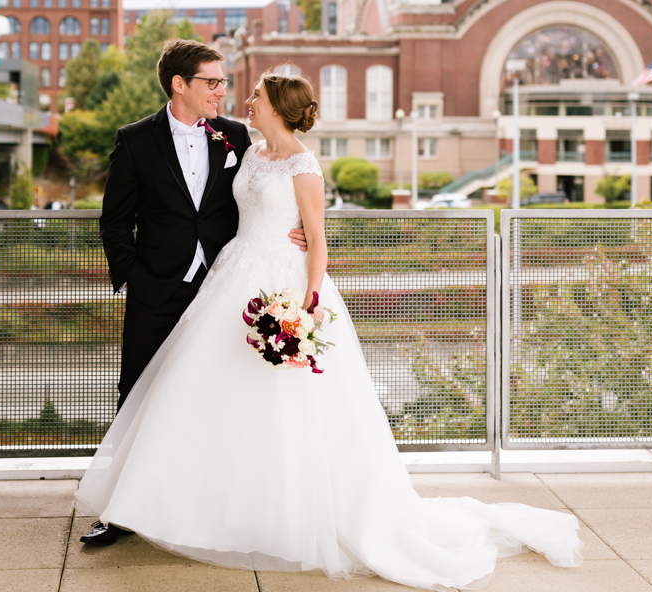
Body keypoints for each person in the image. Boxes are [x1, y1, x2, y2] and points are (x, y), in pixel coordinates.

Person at [76, 69, 583, 589]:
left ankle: (284, 515)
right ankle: (186, 503)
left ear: (276, 105)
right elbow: (222, 209)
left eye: (256, 94)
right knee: (210, 391)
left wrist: (309, 302)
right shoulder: (246, 150)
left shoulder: (304, 163)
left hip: (285, 282)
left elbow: (317, 238)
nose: (244, 99)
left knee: (288, 403)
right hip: (233, 275)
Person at [83, 40, 304, 546]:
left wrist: (306, 231)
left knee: (219, 396)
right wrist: (136, 280)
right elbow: (114, 222)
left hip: (227, 291)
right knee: (138, 394)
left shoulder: (236, 136)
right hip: (157, 290)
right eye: (212, 82)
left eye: (224, 82)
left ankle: (208, 504)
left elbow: (285, 179)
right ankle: (119, 511)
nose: (222, 91)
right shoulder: (136, 140)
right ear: (179, 84)